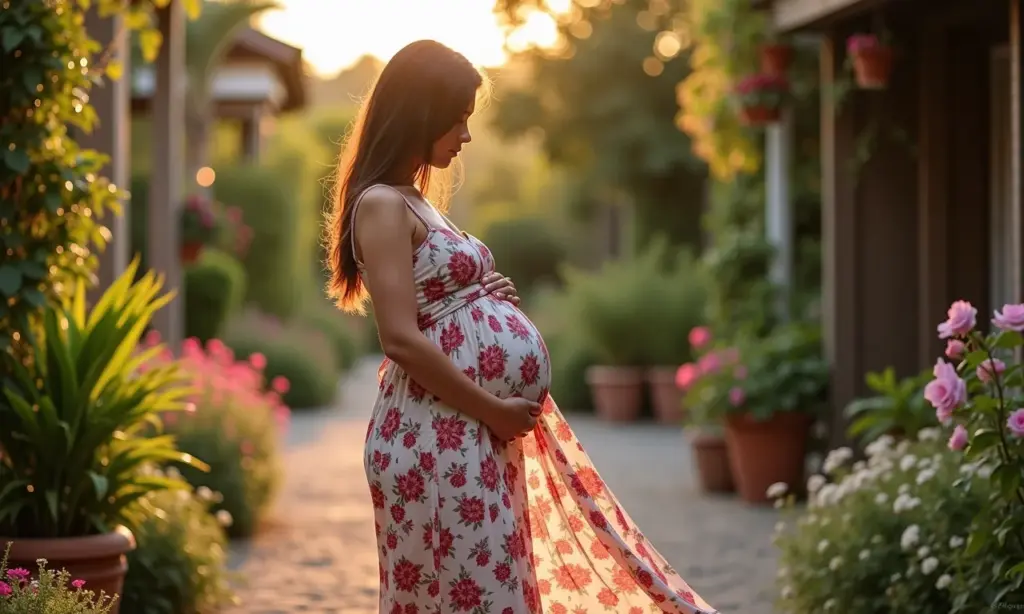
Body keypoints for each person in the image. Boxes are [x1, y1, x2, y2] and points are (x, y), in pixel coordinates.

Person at [325, 39, 719, 614]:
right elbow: (400, 338)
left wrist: (484, 297)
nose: (464, 136)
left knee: (498, 591)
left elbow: (435, 299)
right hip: (434, 439)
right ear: (420, 112)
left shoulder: (414, 200)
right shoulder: (382, 204)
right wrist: (493, 407)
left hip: (466, 434)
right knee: (471, 598)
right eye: (457, 120)